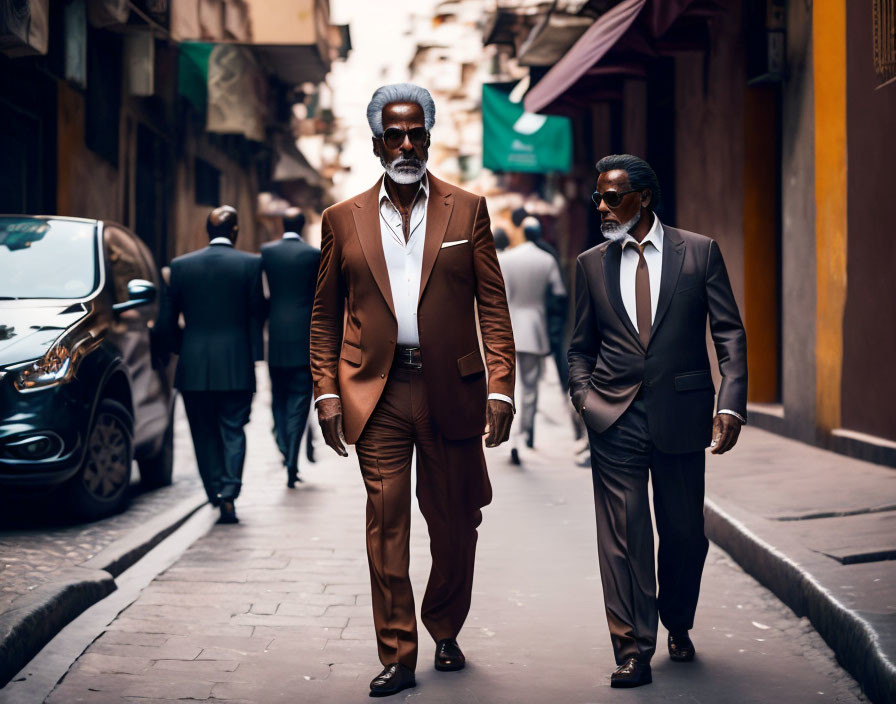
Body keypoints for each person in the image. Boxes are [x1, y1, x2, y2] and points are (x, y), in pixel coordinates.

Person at [310, 83, 515, 698]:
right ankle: (398, 652)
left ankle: (445, 625)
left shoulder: (468, 209)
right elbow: (324, 315)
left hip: (449, 387)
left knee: (454, 521)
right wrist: (325, 392)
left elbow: (494, 308)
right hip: (376, 392)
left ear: (429, 137)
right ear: (376, 144)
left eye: (415, 132)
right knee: (386, 523)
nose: (405, 144)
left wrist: (500, 388)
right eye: (393, 135)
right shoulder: (341, 219)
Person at [568, 154, 747, 688]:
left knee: (684, 533)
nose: (601, 206)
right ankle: (633, 647)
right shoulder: (590, 263)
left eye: (612, 196)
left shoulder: (699, 252)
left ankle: (679, 620)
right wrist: (584, 398)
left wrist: (730, 403)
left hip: (683, 414)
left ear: (644, 197)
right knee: (624, 535)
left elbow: (730, 336)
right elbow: (579, 347)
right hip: (613, 416)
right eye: (597, 197)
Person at [158, 206, 264, 524]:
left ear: (207, 232)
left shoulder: (180, 267)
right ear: (235, 232)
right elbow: (257, 314)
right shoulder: (251, 264)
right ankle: (231, 491)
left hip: (194, 364)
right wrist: (254, 354)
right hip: (235, 363)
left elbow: (166, 321)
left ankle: (215, 491)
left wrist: (180, 349)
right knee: (234, 429)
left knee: (202, 432)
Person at [497, 216, 565, 465]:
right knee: (529, 389)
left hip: (508, 329)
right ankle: (523, 435)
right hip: (535, 330)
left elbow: (497, 294)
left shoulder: (506, 259)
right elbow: (559, 292)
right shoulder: (546, 259)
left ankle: (510, 438)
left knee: (507, 386)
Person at [260, 207, 320, 487]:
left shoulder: (267, 253)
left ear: (282, 224)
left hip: (277, 339)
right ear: (303, 223)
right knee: (299, 403)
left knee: (279, 400)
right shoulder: (313, 255)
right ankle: (292, 459)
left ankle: (284, 446)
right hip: (305, 340)